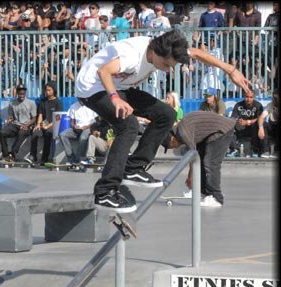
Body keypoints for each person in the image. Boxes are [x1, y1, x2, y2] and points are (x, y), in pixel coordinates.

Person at [75, 29, 250, 213]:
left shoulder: (168, 49)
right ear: (156, 52)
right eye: (166, 64)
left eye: (171, 66)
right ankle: (105, 192)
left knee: (167, 114)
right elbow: (104, 71)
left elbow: (197, 53)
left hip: (120, 87)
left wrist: (230, 69)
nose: (167, 70)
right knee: (129, 126)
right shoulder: (132, 55)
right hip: (92, 88)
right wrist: (115, 98)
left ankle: (133, 167)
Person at [162, 111, 235, 207]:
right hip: (210, 133)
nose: (175, 148)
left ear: (172, 139)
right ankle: (204, 192)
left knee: (210, 163)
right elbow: (197, 156)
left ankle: (217, 198)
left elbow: (193, 156)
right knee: (203, 161)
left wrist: (190, 177)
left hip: (222, 130)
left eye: (172, 146)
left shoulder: (183, 133)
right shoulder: (181, 129)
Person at [0, 84, 37, 163]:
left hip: (27, 125)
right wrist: (8, 120)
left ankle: (13, 153)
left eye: (23, 93)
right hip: (16, 124)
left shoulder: (31, 103)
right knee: (2, 132)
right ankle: (5, 155)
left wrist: (27, 125)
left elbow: (34, 118)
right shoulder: (12, 103)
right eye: (20, 92)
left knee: (21, 132)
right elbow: (11, 116)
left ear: (25, 93)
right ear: (17, 93)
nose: (21, 94)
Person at [29, 82, 62, 165]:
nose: (47, 92)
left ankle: (44, 159)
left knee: (48, 134)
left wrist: (48, 126)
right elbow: (40, 115)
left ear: (54, 90)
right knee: (35, 133)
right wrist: (38, 125)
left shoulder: (58, 102)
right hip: (43, 124)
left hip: (53, 125)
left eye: (49, 90)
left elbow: (57, 118)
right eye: (46, 90)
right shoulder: (42, 101)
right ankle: (33, 156)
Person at [58, 100, 97, 165]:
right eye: (80, 100)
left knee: (82, 138)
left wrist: (86, 126)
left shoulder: (92, 105)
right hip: (77, 128)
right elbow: (72, 122)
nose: (81, 101)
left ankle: (78, 159)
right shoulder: (73, 106)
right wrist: (74, 126)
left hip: (88, 128)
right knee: (62, 135)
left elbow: (96, 121)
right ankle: (70, 157)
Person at [227, 89, 264, 157]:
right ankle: (234, 149)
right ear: (244, 96)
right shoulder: (238, 105)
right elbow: (233, 118)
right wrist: (237, 120)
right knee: (230, 125)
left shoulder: (258, 105)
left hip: (253, 126)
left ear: (254, 97)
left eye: (251, 97)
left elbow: (260, 118)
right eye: (247, 97)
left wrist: (248, 122)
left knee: (259, 125)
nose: (248, 99)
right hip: (241, 126)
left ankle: (255, 149)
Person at [258, 89, 279, 157]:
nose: (275, 100)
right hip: (272, 127)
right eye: (274, 98)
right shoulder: (270, 105)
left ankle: (276, 151)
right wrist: (260, 128)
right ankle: (265, 151)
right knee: (264, 124)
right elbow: (261, 117)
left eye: (276, 98)